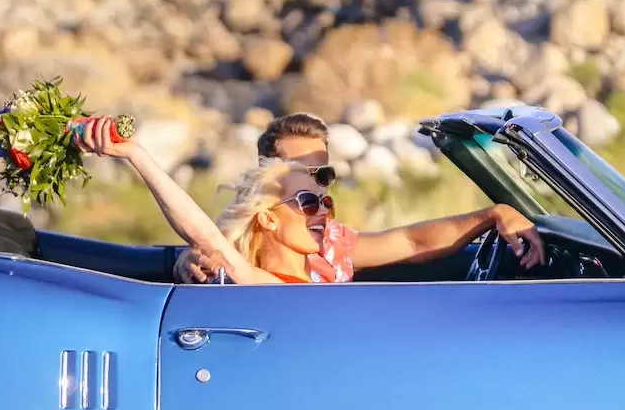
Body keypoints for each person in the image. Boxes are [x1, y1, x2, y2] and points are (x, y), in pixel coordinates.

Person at [173, 112, 545, 284]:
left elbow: (412, 241)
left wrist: (495, 214)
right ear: (263, 176)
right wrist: (191, 263)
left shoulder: (333, 244)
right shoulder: (231, 255)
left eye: (322, 173)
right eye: (296, 170)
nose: (315, 184)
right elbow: (210, 248)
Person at [74, 115, 346, 284]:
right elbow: (206, 237)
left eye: (326, 203)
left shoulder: (328, 266)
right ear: (268, 218)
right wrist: (137, 155)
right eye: (308, 201)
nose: (322, 211)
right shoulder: (268, 287)